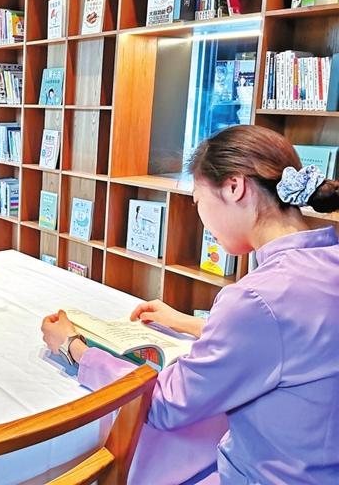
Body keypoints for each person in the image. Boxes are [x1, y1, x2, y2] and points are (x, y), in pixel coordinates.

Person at [41, 125, 339, 484]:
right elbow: (295, 339)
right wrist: (187, 322)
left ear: (234, 186)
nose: (202, 219)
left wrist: (74, 348)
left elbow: (164, 403)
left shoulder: (256, 299)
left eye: (197, 201)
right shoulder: (323, 264)